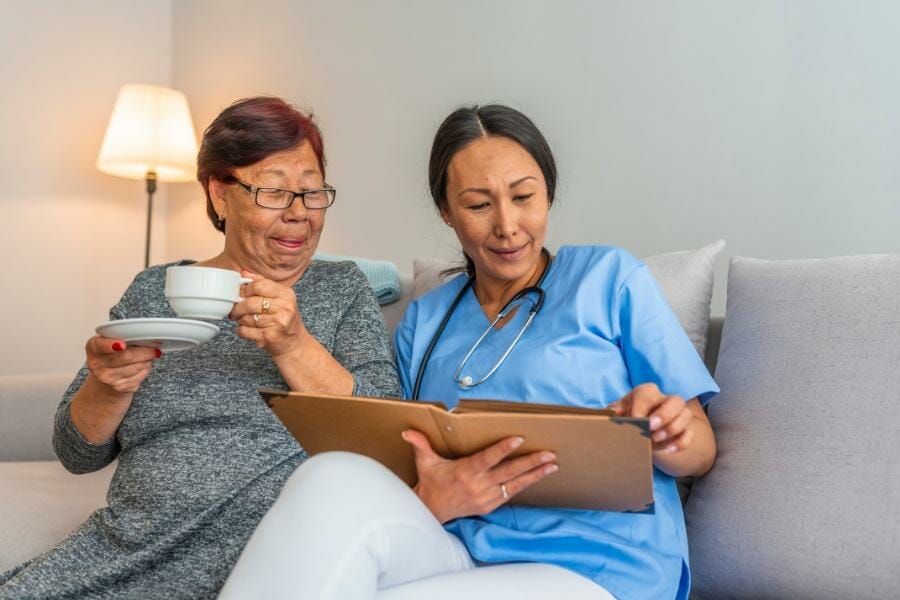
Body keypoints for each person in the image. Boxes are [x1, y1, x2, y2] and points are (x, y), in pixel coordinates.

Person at [220, 104, 718, 600]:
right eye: (479, 205)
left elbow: (700, 450)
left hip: (596, 564)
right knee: (330, 474)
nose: (507, 225)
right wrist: (433, 493)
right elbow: (400, 458)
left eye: (524, 196)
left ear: (548, 193)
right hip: (456, 551)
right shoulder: (427, 319)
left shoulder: (608, 279)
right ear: (446, 211)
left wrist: (668, 436)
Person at [0, 96, 401, 599]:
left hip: (254, 560)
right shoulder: (154, 291)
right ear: (219, 194)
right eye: (275, 192)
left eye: (312, 192)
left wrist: (294, 346)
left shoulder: (341, 290)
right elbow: (76, 453)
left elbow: (389, 439)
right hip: (127, 548)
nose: (299, 214)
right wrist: (108, 385)